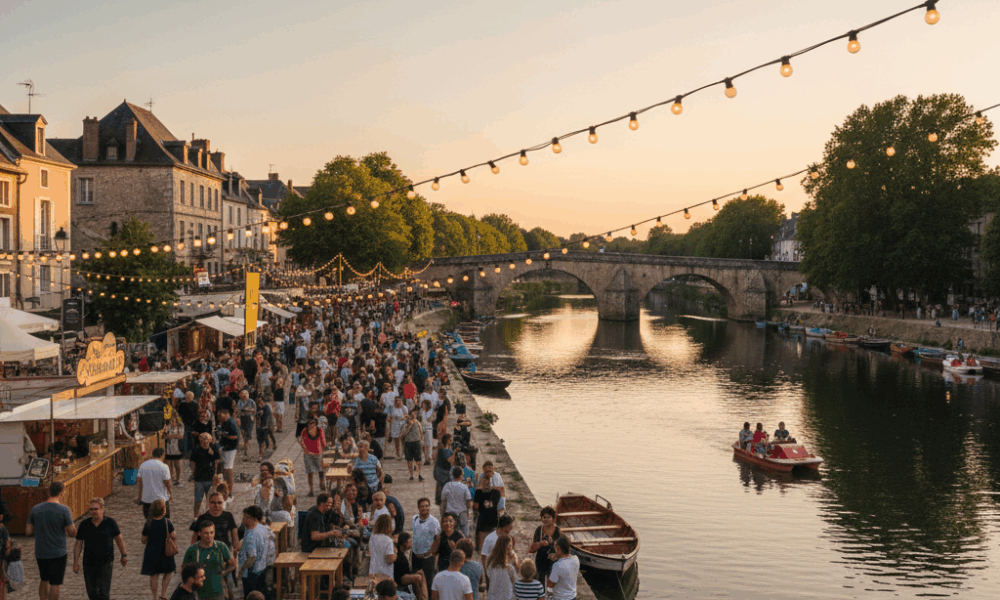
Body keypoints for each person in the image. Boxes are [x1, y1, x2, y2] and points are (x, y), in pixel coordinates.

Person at [26, 482, 77, 600]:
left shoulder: (36, 509)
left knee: (44, 579)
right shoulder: (64, 510)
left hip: (41, 551)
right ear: (62, 492)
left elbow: (28, 531)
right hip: (58, 552)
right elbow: (71, 532)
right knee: (55, 582)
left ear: (49, 491)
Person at [73, 497, 126, 600]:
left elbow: (119, 539)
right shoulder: (84, 525)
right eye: (91, 509)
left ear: (102, 509)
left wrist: (123, 555)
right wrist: (76, 562)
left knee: (104, 592)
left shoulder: (110, 523)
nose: (93, 511)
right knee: (92, 593)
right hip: (88, 563)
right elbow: (78, 544)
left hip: (105, 562)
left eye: (96, 509)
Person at [182, 520, 235, 600]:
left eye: (211, 532)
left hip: (218, 592)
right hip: (198, 594)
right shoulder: (192, 550)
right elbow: (183, 570)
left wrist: (224, 572)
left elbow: (232, 564)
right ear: (199, 533)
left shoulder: (221, 547)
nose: (209, 536)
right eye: (206, 533)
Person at [140, 499, 177, 600]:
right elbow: (173, 535)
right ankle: (163, 593)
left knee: (154, 574)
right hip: (165, 551)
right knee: (168, 571)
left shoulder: (148, 523)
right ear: (163, 510)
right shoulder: (167, 523)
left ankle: (154, 597)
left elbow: (143, 539)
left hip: (151, 552)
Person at [237, 506, 268, 597]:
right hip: (262, 568)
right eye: (243, 517)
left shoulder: (251, 534)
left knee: (251, 595)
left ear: (254, 519)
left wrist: (242, 570)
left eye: (247, 518)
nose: (243, 520)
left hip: (251, 572)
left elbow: (252, 557)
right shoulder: (261, 529)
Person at [190, 433, 221, 519]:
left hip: (210, 477)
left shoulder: (213, 448)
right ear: (200, 440)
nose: (205, 441)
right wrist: (193, 473)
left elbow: (217, 461)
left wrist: (216, 473)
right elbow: (192, 462)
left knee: (211, 498)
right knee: (198, 499)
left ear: (209, 440)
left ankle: (211, 515)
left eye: (206, 439)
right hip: (199, 477)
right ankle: (196, 516)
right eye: (203, 439)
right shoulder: (196, 449)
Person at [412, 498, 441, 587]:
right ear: (418, 507)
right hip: (415, 556)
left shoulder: (434, 522)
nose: (425, 508)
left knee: (428, 582)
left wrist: (430, 553)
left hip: (427, 558)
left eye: (427, 506)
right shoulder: (414, 518)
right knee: (416, 581)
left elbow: (438, 539)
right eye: (422, 506)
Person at [138, 447, 173, 519]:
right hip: (161, 499)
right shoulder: (164, 466)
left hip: (147, 498)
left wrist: (139, 496)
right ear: (163, 455)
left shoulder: (143, 465)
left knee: (149, 520)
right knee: (164, 520)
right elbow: (167, 483)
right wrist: (170, 494)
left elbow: (140, 482)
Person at [527, 507, 560, 583]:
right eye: (544, 517)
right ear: (541, 518)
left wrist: (552, 544)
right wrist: (540, 543)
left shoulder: (557, 531)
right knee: (539, 582)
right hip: (540, 560)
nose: (546, 519)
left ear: (553, 518)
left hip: (553, 562)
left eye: (548, 517)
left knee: (552, 584)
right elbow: (532, 549)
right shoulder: (539, 530)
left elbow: (561, 548)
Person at [393, 532, 429, 600]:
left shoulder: (406, 552)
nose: (411, 544)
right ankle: (420, 597)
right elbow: (402, 572)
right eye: (409, 542)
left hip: (406, 573)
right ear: (405, 543)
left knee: (420, 572)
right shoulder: (399, 555)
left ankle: (425, 597)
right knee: (417, 578)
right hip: (400, 578)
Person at [473, 473, 501, 552]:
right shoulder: (496, 493)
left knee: (483, 546)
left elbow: (476, 506)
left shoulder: (479, 492)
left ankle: (479, 549)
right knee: (492, 545)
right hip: (492, 520)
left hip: (485, 520)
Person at [441, 467, 473, 536]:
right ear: (461, 475)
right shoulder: (464, 487)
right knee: (464, 533)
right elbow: (469, 503)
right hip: (462, 513)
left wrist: (443, 515)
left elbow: (443, 502)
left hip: (450, 514)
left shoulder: (447, 485)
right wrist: (468, 513)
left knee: (450, 533)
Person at [299, 418, 327, 496]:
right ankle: (312, 489)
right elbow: (301, 440)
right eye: (310, 423)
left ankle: (322, 484)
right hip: (309, 454)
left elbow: (323, 443)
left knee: (320, 470)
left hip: (317, 453)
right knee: (310, 472)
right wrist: (305, 449)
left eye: (312, 423)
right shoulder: (305, 431)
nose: (311, 425)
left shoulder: (319, 430)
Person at [484, 535, 517, 600]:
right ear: (506, 548)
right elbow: (515, 583)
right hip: (507, 597)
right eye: (510, 546)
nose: (511, 548)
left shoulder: (490, 563)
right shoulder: (509, 567)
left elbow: (489, 576)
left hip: (492, 597)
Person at [217, 408, 240, 499]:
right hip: (225, 447)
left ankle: (229, 490)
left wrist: (224, 435)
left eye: (220, 416)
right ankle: (224, 488)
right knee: (224, 469)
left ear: (226, 414)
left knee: (228, 469)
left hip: (230, 449)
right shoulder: (225, 422)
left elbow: (235, 436)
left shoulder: (231, 423)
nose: (219, 418)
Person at [369, 514, 397, 579]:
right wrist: (395, 553)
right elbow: (389, 559)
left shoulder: (372, 537)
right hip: (385, 573)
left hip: (373, 571)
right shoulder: (388, 540)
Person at [401, 409, 424, 481]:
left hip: (417, 442)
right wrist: (409, 426)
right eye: (412, 415)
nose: (414, 416)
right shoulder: (405, 424)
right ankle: (411, 475)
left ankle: (419, 474)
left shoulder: (418, 423)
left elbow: (421, 432)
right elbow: (403, 434)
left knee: (418, 460)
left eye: (415, 415)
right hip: (408, 443)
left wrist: (421, 441)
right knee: (409, 460)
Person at [434, 434, 455, 506]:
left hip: (441, 474)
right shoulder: (445, 451)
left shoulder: (441, 450)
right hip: (444, 475)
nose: (452, 441)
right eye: (450, 440)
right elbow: (450, 461)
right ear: (447, 441)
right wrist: (455, 452)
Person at [165, 414, 186, 485]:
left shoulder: (180, 426)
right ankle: (170, 478)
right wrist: (173, 436)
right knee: (169, 464)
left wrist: (170, 436)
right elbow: (164, 435)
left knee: (177, 464)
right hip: (169, 447)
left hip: (177, 447)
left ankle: (178, 479)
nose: (173, 420)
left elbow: (181, 436)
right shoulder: (168, 426)